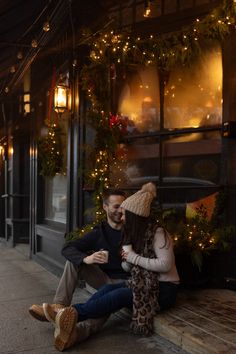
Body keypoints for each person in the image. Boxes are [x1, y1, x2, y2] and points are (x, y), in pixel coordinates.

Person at [43, 182, 180, 352]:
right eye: (118, 209)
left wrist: (133, 258)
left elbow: (165, 265)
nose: (121, 217)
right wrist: (94, 259)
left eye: (124, 213)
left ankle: (68, 316)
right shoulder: (130, 233)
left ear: (134, 215)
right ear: (105, 207)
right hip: (141, 283)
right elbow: (133, 266)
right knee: (107, 290)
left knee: (116, 296)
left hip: (162, 289)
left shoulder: (158, 233)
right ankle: (64, 313)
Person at [29, 189, 127, 322]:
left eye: (123, 206)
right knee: (74, 262)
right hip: (105, 281)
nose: (120, 211)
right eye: (116, 206)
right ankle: (59, 306)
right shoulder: (99, 233)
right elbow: (67, 248)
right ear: (105, 207)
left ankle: (67, 324)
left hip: (126, 284)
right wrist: (86, 259)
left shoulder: (132, 231)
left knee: (99, 310)